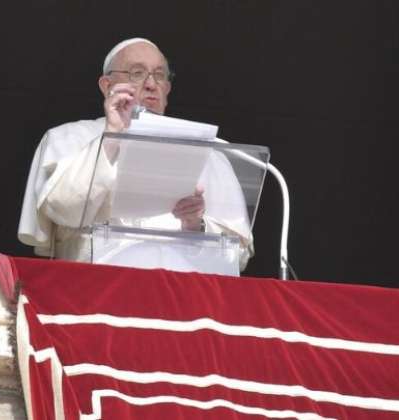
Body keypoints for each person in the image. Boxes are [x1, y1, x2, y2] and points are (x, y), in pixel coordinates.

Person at [18, 38, 254, 271]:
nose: (151, 84)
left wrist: (195, 225)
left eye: (160, 75)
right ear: (106, 85)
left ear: (167, 89)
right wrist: (112, 137)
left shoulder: (212, 152)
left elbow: (238, 256)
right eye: (137, 73)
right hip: (96, 295)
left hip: (183, 299)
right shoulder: (67, 138)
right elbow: (64, 210)